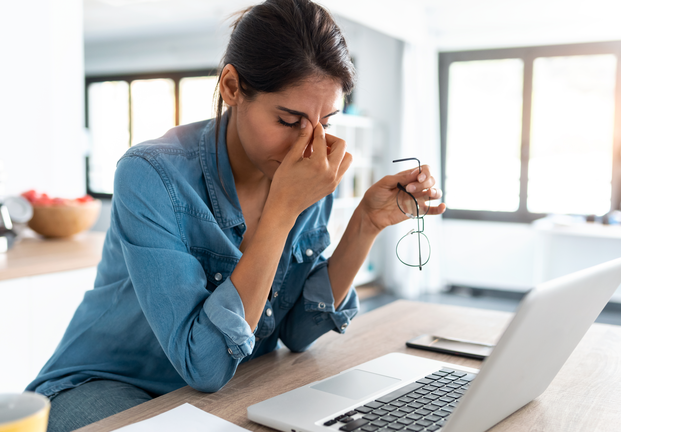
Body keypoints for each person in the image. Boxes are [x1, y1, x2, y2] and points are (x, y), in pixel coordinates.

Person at [26, 0, 445, 430]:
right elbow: (203, 363)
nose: (310, 145)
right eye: (288, 119)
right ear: (231, 86)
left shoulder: (303, 172)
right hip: (107, 384)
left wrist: (365, 224)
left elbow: (299, 332)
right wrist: (282, 211)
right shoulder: (151, 174)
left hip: (220, 388)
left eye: (327, 122)